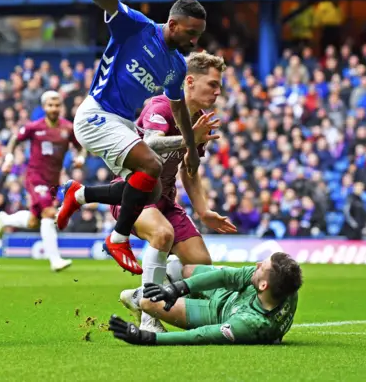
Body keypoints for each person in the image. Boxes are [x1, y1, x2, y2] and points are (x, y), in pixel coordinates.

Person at [59, 52, 238, 332]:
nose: (218, 91)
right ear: (189, 81)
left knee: (202, 266)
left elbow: (189, 170)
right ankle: (149, 317)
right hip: (137, 195)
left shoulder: (200, 119)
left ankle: (139, 295)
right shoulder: (161, 106)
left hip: (166, 200)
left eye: (219, 86)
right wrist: (190, 138)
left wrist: (203, 210)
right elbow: (152, 145)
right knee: (162, 234)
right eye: (212, 84)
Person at [57, 0, 206, 274]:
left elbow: (179, 110)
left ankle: (80, 193)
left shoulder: (177, 65)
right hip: (96, 113)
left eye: (198, 35)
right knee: (151, 165)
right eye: (190, 33)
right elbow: (111, 3)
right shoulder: (137, 27)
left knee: (148, 192)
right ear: (173, 24)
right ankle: (118, 238)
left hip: (121, 122)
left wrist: (191, 147)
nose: (194, 40)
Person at [108, 252, 303, 345]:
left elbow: (200, 335)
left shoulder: (250, 324)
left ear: (263, 286)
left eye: (262, 266)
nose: (257, 264)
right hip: (229, 295)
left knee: (146, 302)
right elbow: (225, 277)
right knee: (180, 268)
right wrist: (178, 289)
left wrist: (147, 338)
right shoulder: (285, 285)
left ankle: (138, 300)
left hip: (215, 314)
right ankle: (171, 283)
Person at [0, 91, 85, 272]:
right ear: (44, 107)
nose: (54, 108)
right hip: (35, 177)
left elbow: (80, 147)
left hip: (53, 181)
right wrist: (9, 158)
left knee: (34, 222)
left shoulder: (68, 128)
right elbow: (14, 139)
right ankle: (55, 260)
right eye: (50, 105)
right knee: (49, 213)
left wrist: (81, 158)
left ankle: (5, 220)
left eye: (57, 105)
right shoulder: (34, 127)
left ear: (61, 106)